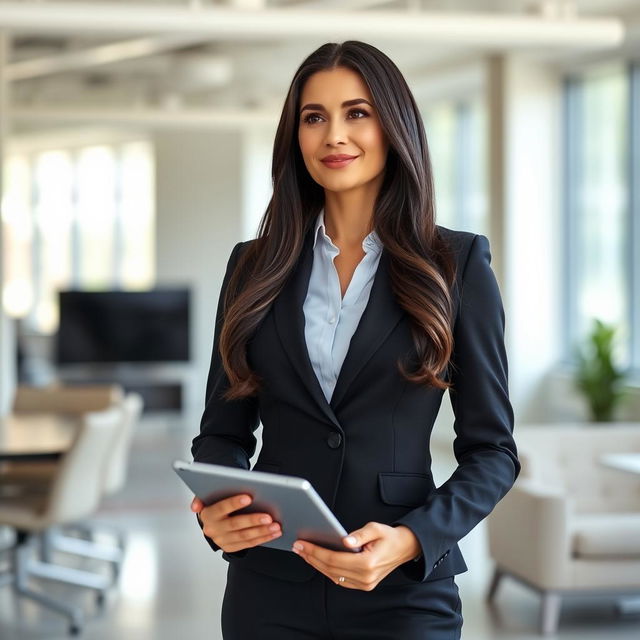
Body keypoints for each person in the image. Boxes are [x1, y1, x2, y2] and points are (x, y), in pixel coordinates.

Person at [190, 40, 520, 639]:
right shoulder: (251, 266)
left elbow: (493, 452)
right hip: (269, 589)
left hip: (402, 593)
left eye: (357, 113)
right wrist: (221, 512)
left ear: (393, 127)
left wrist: (411, 540)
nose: (333, 135)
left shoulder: (456, 264)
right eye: (314, 117)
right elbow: (221, 432)